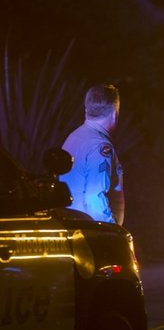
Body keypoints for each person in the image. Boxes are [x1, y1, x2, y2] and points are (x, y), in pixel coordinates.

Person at [60, 84, 124, 225]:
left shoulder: (74, 136)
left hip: (71, 223)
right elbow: (94, 198)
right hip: (89, 229)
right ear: (114, 114)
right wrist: (112, 229)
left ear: (86, 110)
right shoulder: (100, 146)